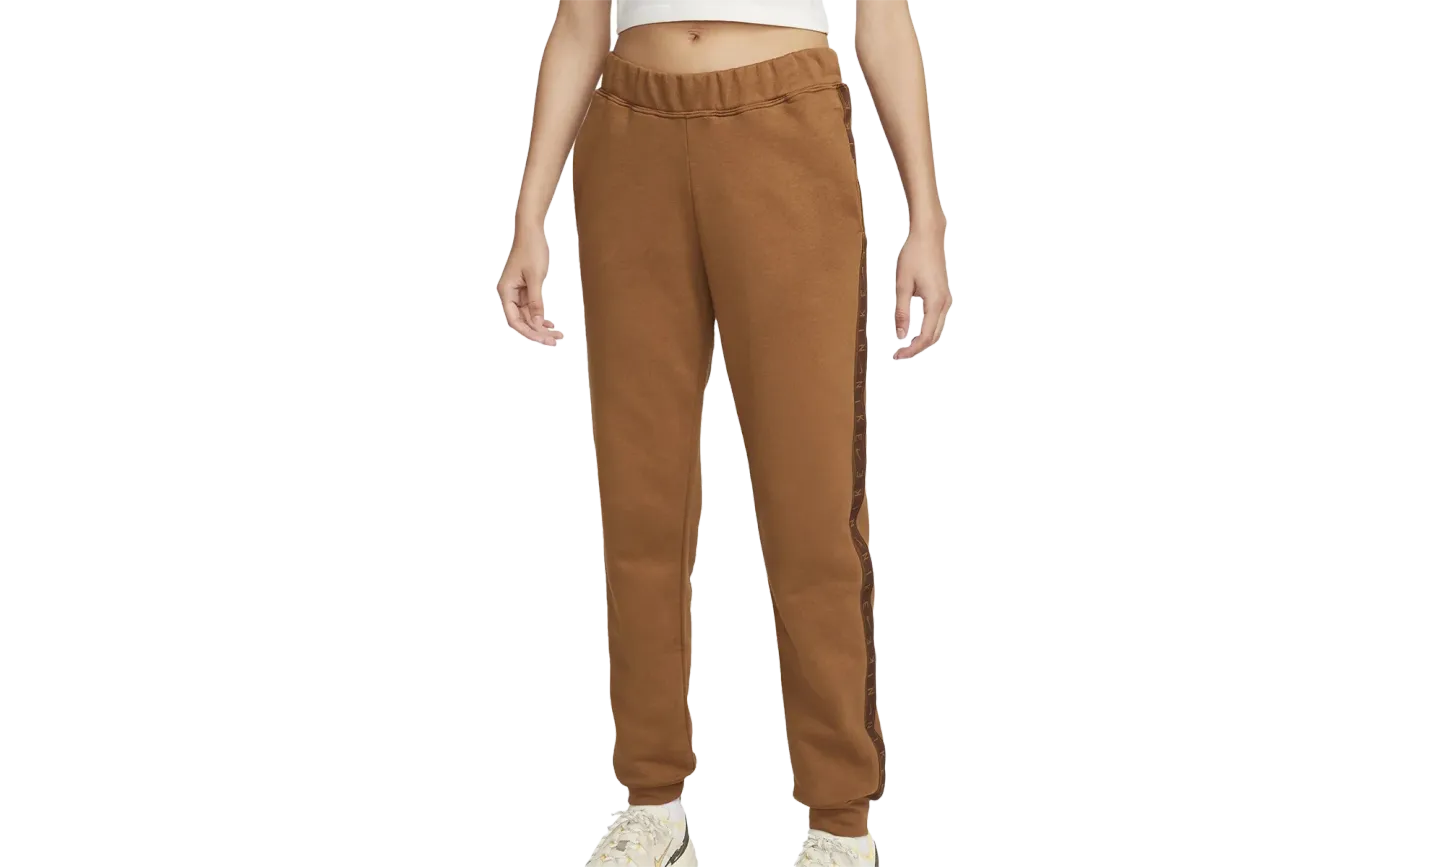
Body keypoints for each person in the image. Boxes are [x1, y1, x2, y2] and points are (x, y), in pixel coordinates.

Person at [498, 0, 950, 864]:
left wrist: (925, 216)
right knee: (639, 494)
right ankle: (653, 803)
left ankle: (839, 820)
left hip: (783, 126)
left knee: (811, 496)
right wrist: (528, 215)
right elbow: (580, 25)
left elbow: (882, 20)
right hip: (630, 131)